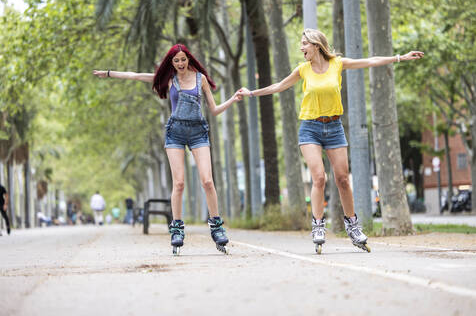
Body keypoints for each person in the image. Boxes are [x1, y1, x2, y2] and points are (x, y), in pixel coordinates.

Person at [238, 28, 424, 253]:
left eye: (305, 43)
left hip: (334, 127)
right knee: (319, 178)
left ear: (316, 45)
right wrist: (251, 93)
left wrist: (399, 57)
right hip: (310, 128)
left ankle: (353, 226)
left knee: (343, 179)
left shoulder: (337, 64)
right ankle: (318, 226)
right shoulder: (302, 70)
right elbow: (278, 86)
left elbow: (369, 61)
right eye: (301, 43)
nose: (301, 47)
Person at [93, 43, 241, 254]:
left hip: (199, 132)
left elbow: (214, 110)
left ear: (188, 59)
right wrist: (108, 73)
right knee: (179, 183)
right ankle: (177, 229)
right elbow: (135, 76)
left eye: (183, 59)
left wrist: (233, 99)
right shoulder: (169, 79)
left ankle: (216, 226)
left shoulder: (201, 80)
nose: (180, 63)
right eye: (176, 61)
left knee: (207, 181)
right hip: (175, 133)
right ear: (171, 62)